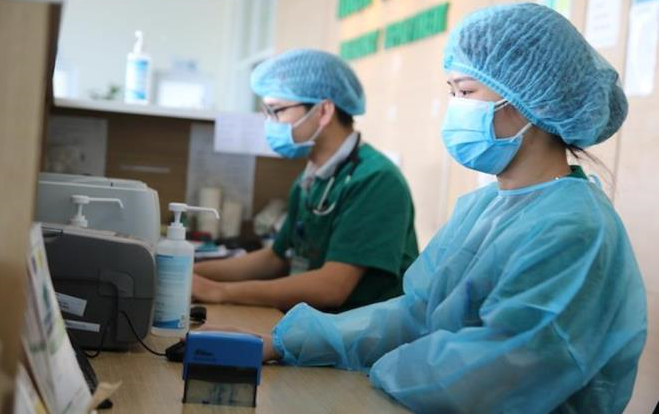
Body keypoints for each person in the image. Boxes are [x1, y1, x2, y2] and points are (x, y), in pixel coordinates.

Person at [201, 4, 647, 413]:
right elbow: (412, 313)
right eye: (451, 91)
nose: (455, 108)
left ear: (534, 101)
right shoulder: (484, 208)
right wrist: (283, 343)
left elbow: (495, 372)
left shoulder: (574, 229)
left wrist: (383, 368)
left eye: (466, 91)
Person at [193, 49, 419, 313]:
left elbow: (332, 287)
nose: (269, 123)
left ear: (323, 111)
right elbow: (275, 258)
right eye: (266, 112)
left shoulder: (376, 180)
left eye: (277, 110)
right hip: (317, 323)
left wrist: (221, 292)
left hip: (363, 333)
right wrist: (188, 270)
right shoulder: (311, 178)